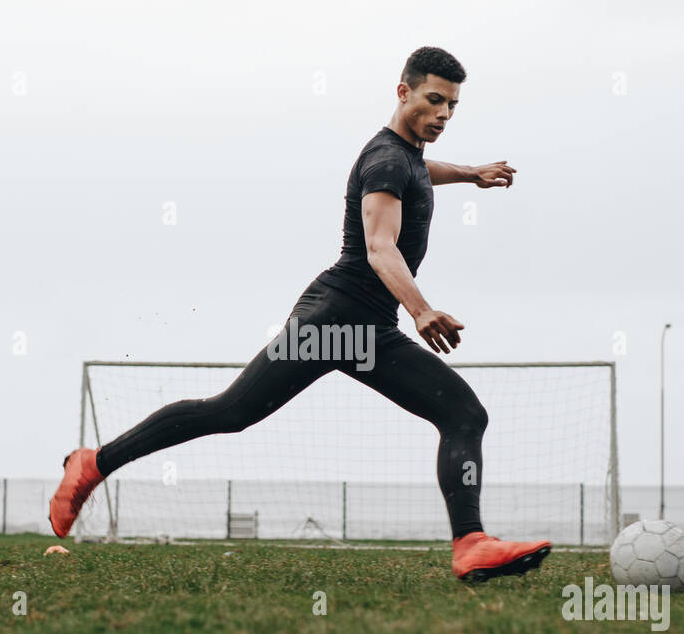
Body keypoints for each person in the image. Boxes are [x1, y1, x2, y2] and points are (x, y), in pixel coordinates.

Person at [50, 46, 550, 582]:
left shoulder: (402, 156)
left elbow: (422, 171)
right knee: (229, 413)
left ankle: (470, 543)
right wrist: (422, 310)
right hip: (332, 323)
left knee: (463, 415)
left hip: (369, 331)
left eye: (452, 105)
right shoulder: (385, 160)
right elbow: (381, 247)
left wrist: (471, 173)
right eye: (434, 100)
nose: (444, 114)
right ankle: (93, 464)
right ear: (403, 92)